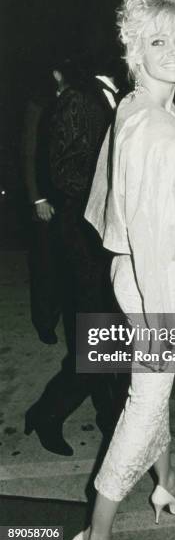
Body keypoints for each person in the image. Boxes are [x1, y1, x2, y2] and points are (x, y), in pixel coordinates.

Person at [70, 0, 175, 540]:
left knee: (154, 397)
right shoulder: (154, 126)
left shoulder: (139, 104)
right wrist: (164, 324)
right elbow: (152, 236)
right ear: (133, 49)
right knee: (147, 401)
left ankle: (168, 484)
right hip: (153, 281)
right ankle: (97, 532)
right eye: (158, 43)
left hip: (131, 273)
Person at [24, 59, 128, 456]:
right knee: (99, 336)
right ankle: (49, 412)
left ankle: (110, 412)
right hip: (86, 237)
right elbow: (65, 172)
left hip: (105, 234)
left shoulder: (115, 98)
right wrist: (112, 195)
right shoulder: (79, 100)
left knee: (109, 333)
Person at [21, 79, 61, 345]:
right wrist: (37, 198)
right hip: (45, 201)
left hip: (69, 200)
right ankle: (45, 323)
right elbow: (28, 153)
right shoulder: (39, 104)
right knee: (45, 266)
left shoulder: (76, 99)